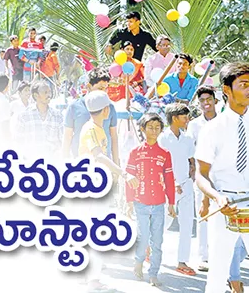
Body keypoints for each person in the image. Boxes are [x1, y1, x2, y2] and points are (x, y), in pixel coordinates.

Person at [195, 62, 249, 293]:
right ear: (227, 90)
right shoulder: (211, 129)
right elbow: (200, 176)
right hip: (224, 205)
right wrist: (216, 198)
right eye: (243, 84)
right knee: (218, 272)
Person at [77, 90, 124, 293]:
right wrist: (122, 173)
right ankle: (92, 280)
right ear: (106, 109)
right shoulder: (90, 130)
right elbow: (98, 156)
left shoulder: (97, 128)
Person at [126, 113, 176, 287]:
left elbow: (169, 179)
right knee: (143, 235)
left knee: (158, 240)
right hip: (140, 202)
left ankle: (154, 273)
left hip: (158, 204)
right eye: (150, 127)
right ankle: (139, 260)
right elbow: (129, 177)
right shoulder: (135, 152)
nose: (154, 131)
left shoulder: (165, 154)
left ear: (161, 130)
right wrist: (129, 201)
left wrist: (171, 202)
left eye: (157, 127)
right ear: (142, 129)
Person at [158, 103, 196, 276]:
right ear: (174, 118)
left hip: (186, 185)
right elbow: (160, 164)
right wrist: (172, 183)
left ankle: (182, 261)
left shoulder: (187, 138)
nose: (187, 120)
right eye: (184, 117)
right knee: (164, 222)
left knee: (187, 224)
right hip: (168, 187)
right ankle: (151, 248)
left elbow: (191, 160)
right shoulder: (163, 138)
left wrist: (192, 177)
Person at [186, 85, 218, 272]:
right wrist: (192, 168)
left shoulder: (224, 121)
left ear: (215, 100)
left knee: (222, 215)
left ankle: (221, 255)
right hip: (202, 175)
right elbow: (191, 150)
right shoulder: (194, 125)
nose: (206, 103)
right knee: (203, 214)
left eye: (209, 99)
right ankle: (203, 256)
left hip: (222, 174)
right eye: (202, 101)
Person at [63, 68, 119, 163]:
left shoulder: (109, 108)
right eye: (100, 88)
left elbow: (114, 137)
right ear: (89, 86)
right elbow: (67, 137)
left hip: (104, 164)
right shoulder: (74, 107)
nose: (104, 92)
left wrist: (116, 164)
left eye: (106, 88)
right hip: (80, 164)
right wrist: (65, 161)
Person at [14, 80, 63, 160]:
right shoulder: (24, 116)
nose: (49, 95)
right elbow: (18, 142)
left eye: (49, 92)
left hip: (52, 163)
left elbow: (62, 141)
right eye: (45, 92)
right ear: (36, 96)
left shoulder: (58, 116)